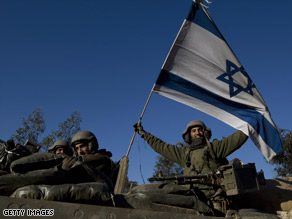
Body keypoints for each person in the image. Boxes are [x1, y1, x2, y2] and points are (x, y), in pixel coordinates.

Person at [134, 120, 248, 215]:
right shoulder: (183, 154)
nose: (197, 133)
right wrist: (144, 134)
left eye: (200, 130)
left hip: (214, 199)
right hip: (191, 199)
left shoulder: (215, 148)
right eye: (193, 131)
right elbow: (161, 146)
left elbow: (236, 139)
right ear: (189, 134)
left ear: (204, 132)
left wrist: (250, 125)